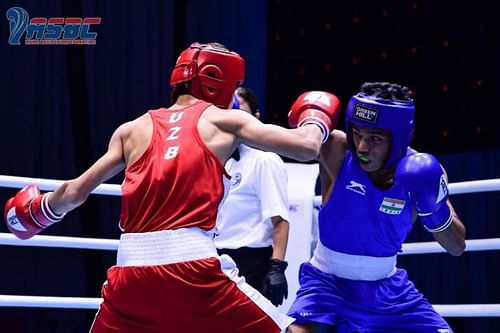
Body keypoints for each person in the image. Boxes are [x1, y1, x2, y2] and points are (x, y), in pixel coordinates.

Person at [3, 42, 341, 333]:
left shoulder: (131, 129)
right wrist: (315, 116)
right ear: (220, 81)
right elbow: (307, 147)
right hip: (193, 269)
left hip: (129, 274)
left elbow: (75, 193)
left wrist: (39, 210)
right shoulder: (225, 119)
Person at [287, 82, 466, 333]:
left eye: (374, 138)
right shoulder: (336, 150)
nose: (361, 147)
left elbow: (456, 247)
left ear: (400, 137)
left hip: (389, 292)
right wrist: (312, 121)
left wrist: (433, 209)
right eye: (357, 133)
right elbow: (288, 142)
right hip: (326, 285)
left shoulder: (422, 172)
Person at [216, 86, 290, 307]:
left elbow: (280, 220)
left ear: (255, 119)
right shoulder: (210, 159)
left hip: (250, 262)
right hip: (209, 258)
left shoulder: (264, 160)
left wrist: (277, 267)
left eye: (242, 116)